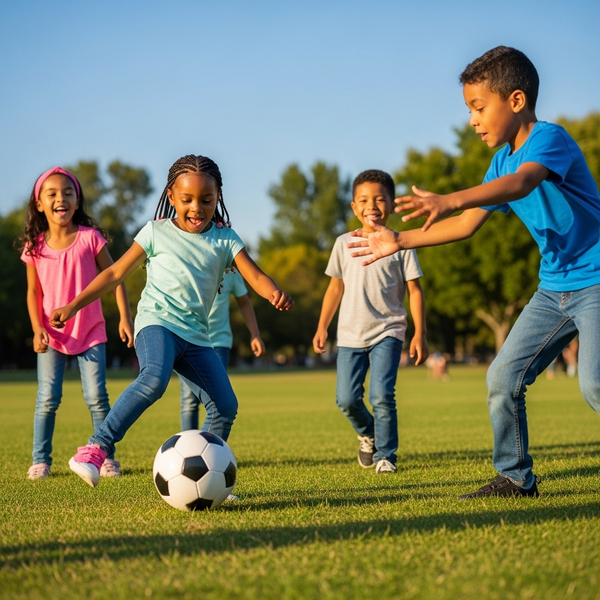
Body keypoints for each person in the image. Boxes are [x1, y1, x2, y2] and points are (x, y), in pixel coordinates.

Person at [348, 46, 600, 498]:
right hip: (553, 289)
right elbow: (466, 225)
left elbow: (523, 182)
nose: (472, 120)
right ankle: (516, 478)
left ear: (516, 100)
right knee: (502, 378)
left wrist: (452, 197)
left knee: (595, 383)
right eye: (469, 110)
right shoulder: (499, 161)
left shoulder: (549, 139)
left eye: (479, 107)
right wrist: (399, 240)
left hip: (597, 281)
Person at [50, 155, 293, 488]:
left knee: (224, 405)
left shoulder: (225, 239)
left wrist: (275, 293)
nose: (197, 207)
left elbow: (254, 275)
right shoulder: (155, 232)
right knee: (154, 379)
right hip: (157, 323)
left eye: (207, 200)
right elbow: (115, 273)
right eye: (187, 199)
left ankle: (209, 484)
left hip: (196, 336)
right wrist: (74, 305)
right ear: (171, 195)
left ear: (218, 198)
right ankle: (95, 448)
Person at [18, 166, 134, 480]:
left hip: (91, 330)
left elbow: (116, 278)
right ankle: (40, 460)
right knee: (47, 399)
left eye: (68, 193)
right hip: (52, 336)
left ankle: (104, 457)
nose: (61, 198)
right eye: (52, 193)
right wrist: (36, 328)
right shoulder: (36, 247)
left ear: (77, 200)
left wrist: (125, 317)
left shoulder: (89, 239)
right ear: (39, 203)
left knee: (97, 398)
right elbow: (32, 291)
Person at [313, 169, 428, 473]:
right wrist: (322, 325)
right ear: (353, 207)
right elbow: (335, 287)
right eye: (363, 200)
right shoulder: (343, 243)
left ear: (391, 205)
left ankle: (386, 456)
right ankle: (368, 433)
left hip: (388, 330)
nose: (372, 206)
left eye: (379, 199)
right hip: (350, 334)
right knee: (346, 399)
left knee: (381, 394)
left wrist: (420, 333)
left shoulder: (402, 244)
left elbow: (415, 291)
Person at [179, 267, 265, 430]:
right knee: (189, 401)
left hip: (219, 342)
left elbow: (244, 302)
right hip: (191, 339)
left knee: (219, 399)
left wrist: (255, 334)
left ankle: (211, 448)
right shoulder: (189, 263)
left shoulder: (230, 271)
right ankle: (189, 447)